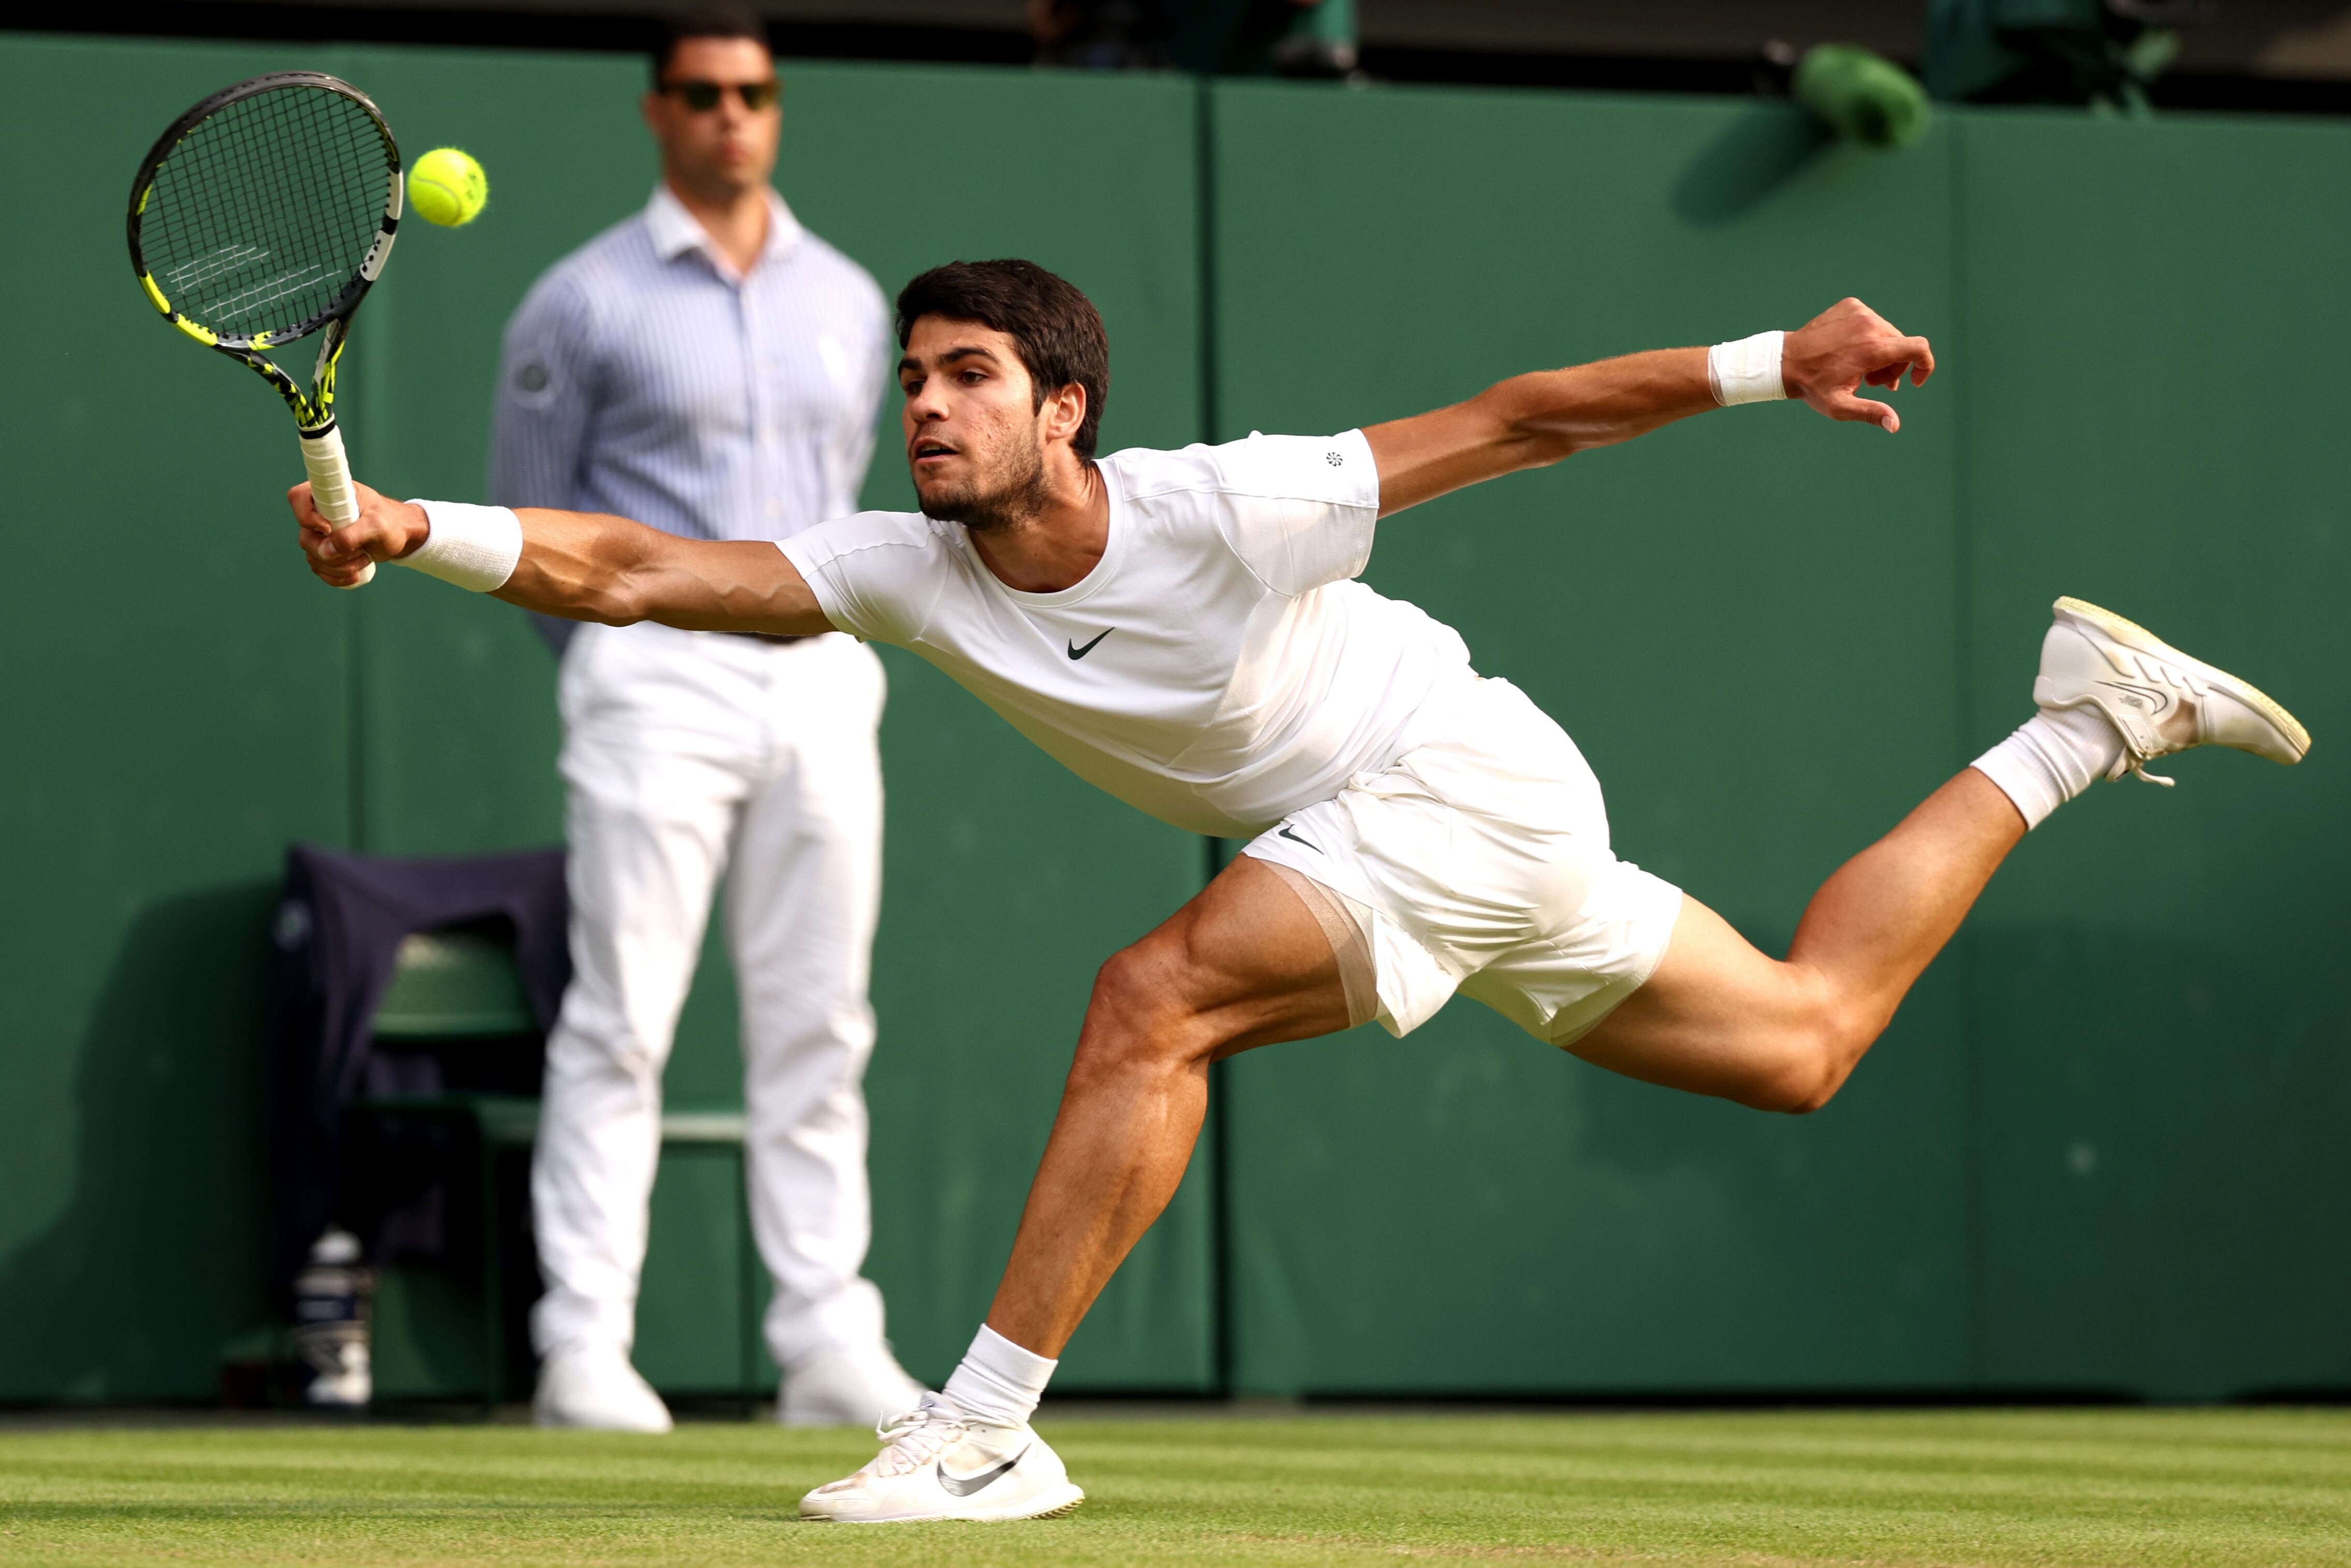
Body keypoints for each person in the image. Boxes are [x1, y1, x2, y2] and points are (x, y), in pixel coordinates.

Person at [295, 261, 2307, 1517]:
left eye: (969, 373)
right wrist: (412, 523)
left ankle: (989, 1423)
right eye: (911, 375)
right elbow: (642, 572)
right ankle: (2081, 723)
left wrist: (1777, 358)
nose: (924, 403)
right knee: (1803, 1033)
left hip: (1443, 772)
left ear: (1062, 405)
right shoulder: (907, 569)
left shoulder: (1229, 503)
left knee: (1145, 998)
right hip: (1448, 836)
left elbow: (1522, 421)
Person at [486, 1, 921, 1432]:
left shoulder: (855, 301)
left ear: (775, 106)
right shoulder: (580, 300)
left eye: (753, 91)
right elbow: (538, 522)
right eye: (700, 92)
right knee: (622, 1020)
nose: (731, 114)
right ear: (656, 111)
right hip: (652, 675)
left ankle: (822, 1340)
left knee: (822, 1021)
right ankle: (583, 1348)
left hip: (818, 666)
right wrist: (620, 659)